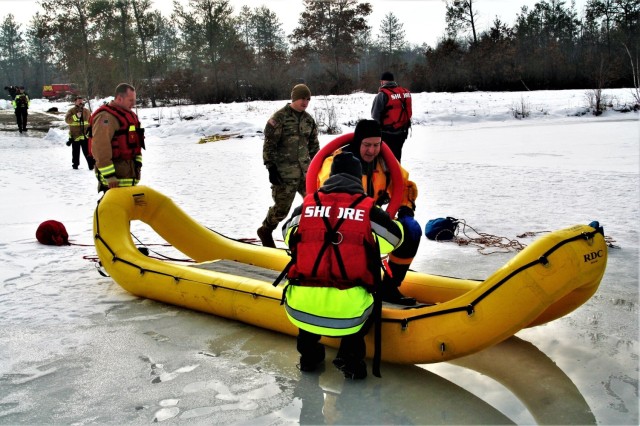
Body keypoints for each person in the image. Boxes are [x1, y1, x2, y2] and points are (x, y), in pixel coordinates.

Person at [281, 152, 404, 379]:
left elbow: (287, 236)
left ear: (331, 176)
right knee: (364, 302)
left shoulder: (305, 207)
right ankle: (350, 359)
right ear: (358, 179)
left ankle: (309, 358)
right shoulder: (368, 210)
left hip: (299, 308)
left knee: (308, 305)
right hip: (348, 312)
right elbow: (394, 241)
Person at [317, 119, 421, 306]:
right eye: (367, 145)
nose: (372, 151)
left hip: (372, 218)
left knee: (411, 230)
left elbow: (404, 186)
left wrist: (405, 209)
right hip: (340, 223)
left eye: (376, 145)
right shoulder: (338, 162)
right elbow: (325, 194)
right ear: (358, 142)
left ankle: (390, 286)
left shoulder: (385, 163)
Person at [257, 83, 320, 247]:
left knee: (316, 205)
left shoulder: (308, 120)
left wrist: (319, 165)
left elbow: (314, 146)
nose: (305, 102)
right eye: (302, 98)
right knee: (282, 209)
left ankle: (311, 236)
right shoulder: (279, 118)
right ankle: (265, 230)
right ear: (294, 98)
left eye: (308, 99)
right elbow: (269, 145)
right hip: (284, 174)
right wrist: (270, 167)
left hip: (306, 173)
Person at [89, 83, 144, 192]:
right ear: (119, 99)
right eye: (130, 100)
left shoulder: (130, 115)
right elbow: (100, 147)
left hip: (128, 175)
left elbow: (136, 143)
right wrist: (109, 175)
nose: (134, 103)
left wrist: (138, 164)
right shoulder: (106, 117)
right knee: (112, 208)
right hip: (114, 181)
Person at [371, 72, 412, 162]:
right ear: (393, 81)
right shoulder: (405, 92)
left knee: (385, 159)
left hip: (387, 133)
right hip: (403, 131)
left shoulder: (382, 95)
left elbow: (375, 116)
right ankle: (398, 173)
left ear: (382, 82)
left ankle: (389, 175)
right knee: (397, 156)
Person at [65, 96, 95, 170]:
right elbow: (67, 120)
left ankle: (91, 166)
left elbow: (91, 121)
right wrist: (75, 116)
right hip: (75, 136)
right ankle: (75, 165)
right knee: (75, 152)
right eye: (78, 101)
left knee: (88, 151)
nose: (80, 102)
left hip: (85, 135)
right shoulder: (71, 111)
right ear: (75, 102)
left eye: (81, 100)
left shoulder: (87, 111)